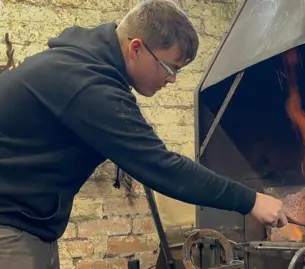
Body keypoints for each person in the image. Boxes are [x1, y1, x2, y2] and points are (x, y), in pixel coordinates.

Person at [0, 0, 287, 268]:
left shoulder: (82, 67)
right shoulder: (86, 84)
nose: (172, 79)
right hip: (10, 228)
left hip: (27, 224)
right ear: (136, 48)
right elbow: (161, 167)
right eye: (170, 67)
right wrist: (251, 200)